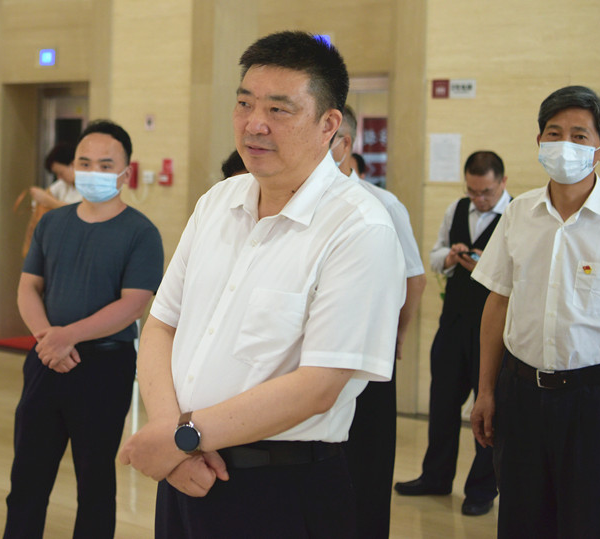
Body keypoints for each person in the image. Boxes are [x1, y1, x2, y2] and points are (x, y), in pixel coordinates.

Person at [118, 31, 406, 539]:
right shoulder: (217, 202)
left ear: (329, 125)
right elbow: (162, 324)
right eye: (245, 103)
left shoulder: (360, 228)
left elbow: (318, 387)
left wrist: (183, 437)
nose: (255, 123)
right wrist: (173, 438)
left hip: (282, 487)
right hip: (186, 471)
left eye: (278, 109)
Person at [469, 85, 600, 538]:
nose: (564, 144)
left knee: (591, 523)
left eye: (579, 136)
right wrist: (485, 390)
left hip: (595, 401)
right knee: (521, 522)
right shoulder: (518, 214)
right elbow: (498, 302)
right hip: (520, 394)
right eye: (554, 133)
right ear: (539, 140)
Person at [3, 120, 163, 539]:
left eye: (105, 165)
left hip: (104, 365)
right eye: (85, 163)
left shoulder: (142, 232)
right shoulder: (52, 224)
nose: (93, 172)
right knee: (27, 476)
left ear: (125, 173)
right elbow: (27, 288)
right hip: (46, 358)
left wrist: (67, 336)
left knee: (94, 482)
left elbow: (133, 304)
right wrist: (48, 338)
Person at [394, 150, 510, 516]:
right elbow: (434, 255)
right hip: (453, 323)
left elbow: (520, 273)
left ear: (502, 183)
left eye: (486, 192)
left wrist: (484, 265)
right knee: (442, 403)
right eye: (472, 191)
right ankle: (436, 477)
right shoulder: (457, 209)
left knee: (487, 409)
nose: (478, 198)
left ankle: (482, 490)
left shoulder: (517, 215)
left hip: (493, 331)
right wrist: (450, 256)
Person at [332, 106, 426, 537]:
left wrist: (396, 337)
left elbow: (415, 278)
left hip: (367, 354)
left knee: (366, 464)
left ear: (344, 144)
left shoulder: (382, 204)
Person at [28, 142, 82, 210]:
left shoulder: (89, 187)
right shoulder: (62, 184)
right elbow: (46, 194)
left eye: (61, 173)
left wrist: (48, 201)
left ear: (73, 164)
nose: (59, 177)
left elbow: (79, 212)